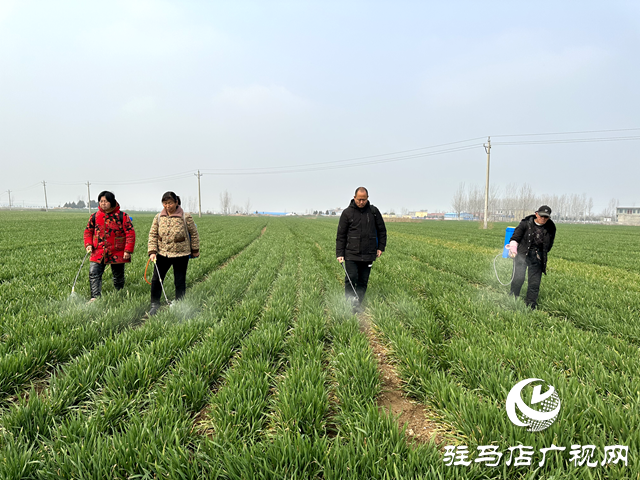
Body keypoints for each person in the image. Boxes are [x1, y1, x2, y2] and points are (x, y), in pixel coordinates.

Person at [147, 191, 200, 315]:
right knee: (157, 279)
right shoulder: (159, 217)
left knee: (179, 280)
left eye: (170, 203)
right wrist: (152, 251)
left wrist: (195, 250)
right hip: (162, 254)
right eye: (165, 203)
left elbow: (194, 234)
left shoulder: (185, 217)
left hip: (181, 254)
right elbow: (153, 234)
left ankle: (180, 304)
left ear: (176, 202)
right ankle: (154, 304)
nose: (167, 206)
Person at [336, 186, 387, 312]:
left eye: (364, 200)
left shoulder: (374, 212)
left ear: (367, 198)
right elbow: (341, 235)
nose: (361, 202)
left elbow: (382, 231)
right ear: (354, 198)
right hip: (351, 253)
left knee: (363, 281)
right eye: (359, 199)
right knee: (351, 277)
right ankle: (349, 303)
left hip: (369, 253)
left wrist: (380, 247)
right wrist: (339, 253)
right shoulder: (347, 213)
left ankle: (357, 304)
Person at [83, 191, 136, 302]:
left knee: (118, 275)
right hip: (98, 250)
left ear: (112, 202)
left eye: (106, 201)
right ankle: (95, 297)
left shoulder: (122, 216)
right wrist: (88, 244)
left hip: (117, 250)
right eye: (101, 201)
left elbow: (130, 233)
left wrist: (128, 250)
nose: (103, 203)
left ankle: (119, 293)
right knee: (94, 273)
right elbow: (88, 231)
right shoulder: (95, 216)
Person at [508, 205, 556, 310]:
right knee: (518, 279)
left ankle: (530, 306)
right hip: (521, 255)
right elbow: (515, 238)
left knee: (534, 283)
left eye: (546, 217)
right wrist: (513, 249)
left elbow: (549, 245)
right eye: (541, 216)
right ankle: (512, 299)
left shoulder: (551, 228)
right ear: (536, 214)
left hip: (537, 258)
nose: (543, 219)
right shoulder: (525, 223)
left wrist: (539, 254)